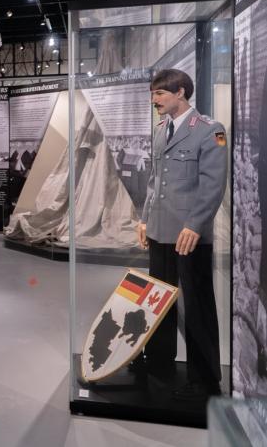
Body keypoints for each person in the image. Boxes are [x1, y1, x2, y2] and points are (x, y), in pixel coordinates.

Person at [137, 69, 228, 401]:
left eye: (159, 94)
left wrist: (195, 224)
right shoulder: (161, 131)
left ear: (180, 93)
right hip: (161, 231)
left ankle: (204, 376)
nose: (154, 101)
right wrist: (145, 219)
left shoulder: (210, 131)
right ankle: (158, 363)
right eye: (153, 94)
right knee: (158, 300)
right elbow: (154, 180)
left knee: (198, 305)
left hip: (189, 235)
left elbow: (213, 184)